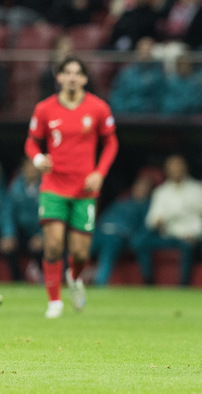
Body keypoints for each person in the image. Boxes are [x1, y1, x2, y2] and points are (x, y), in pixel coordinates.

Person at [24, 55, 119, 318]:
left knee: (80, 253)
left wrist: (99, 173)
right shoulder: (44, 109)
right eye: (67, 72)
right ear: (59, 77)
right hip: (53, 185)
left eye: (78, 73)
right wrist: (38, 158)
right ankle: (54, 301)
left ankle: (74, 277)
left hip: (85, 189)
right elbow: (31, 142)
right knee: (53, 245)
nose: (72, 77)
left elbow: (111, 144)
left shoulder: (98, 108)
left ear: (85, 78)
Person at [134, 155, 202, 285]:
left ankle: (183, 286)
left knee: (188, 246)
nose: (176, 170)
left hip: (192, 236)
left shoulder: (198, 189)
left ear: (185, 168)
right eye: (172, 168)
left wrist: (195, 233)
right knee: (140, 242)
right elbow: (151, 220)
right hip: (169, 235)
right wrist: (157, 221)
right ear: (167, 170)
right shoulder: (161, 192)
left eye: (179, 167)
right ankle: (148, 282)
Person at [90, 174, 153, 286]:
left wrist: (135, 240)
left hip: (118, 235)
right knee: (79, 249)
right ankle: (64, 280)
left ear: (149, 191)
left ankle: (100, 283)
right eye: (138, 186)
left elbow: (145, 227)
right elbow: (103, 217)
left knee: (108, 252)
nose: (140, 189)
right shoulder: (121, 201)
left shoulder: (146, 207)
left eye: (144, 187)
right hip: (100, 232)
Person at [0, 158, 43, 282]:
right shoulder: (15, 188)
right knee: (9, 246)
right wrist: (9, 235)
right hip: (22, 233)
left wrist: (41, 236)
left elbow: (52, 216)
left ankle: (46, 280)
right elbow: (9, 214)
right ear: (23, 169)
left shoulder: (46, 187)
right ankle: (17, 281)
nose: (31, 170)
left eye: (34, 167)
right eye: (29, 167)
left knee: (50, 247)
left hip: (40, 232)